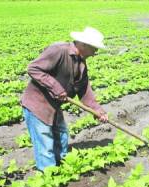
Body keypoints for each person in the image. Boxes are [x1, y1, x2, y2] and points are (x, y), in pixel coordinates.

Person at [21, 27, 108, 171]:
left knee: (61, 135)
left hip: (54, 105)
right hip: (37, 104)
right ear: (84, 44)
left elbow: (84, 90)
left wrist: (98, 111)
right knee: (45, 141)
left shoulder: (81, 63)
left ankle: (63, 167)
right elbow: (33, 68)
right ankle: (48, 175)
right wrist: (56, 88)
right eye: (94, 48)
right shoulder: (58, 50)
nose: (95, 53)